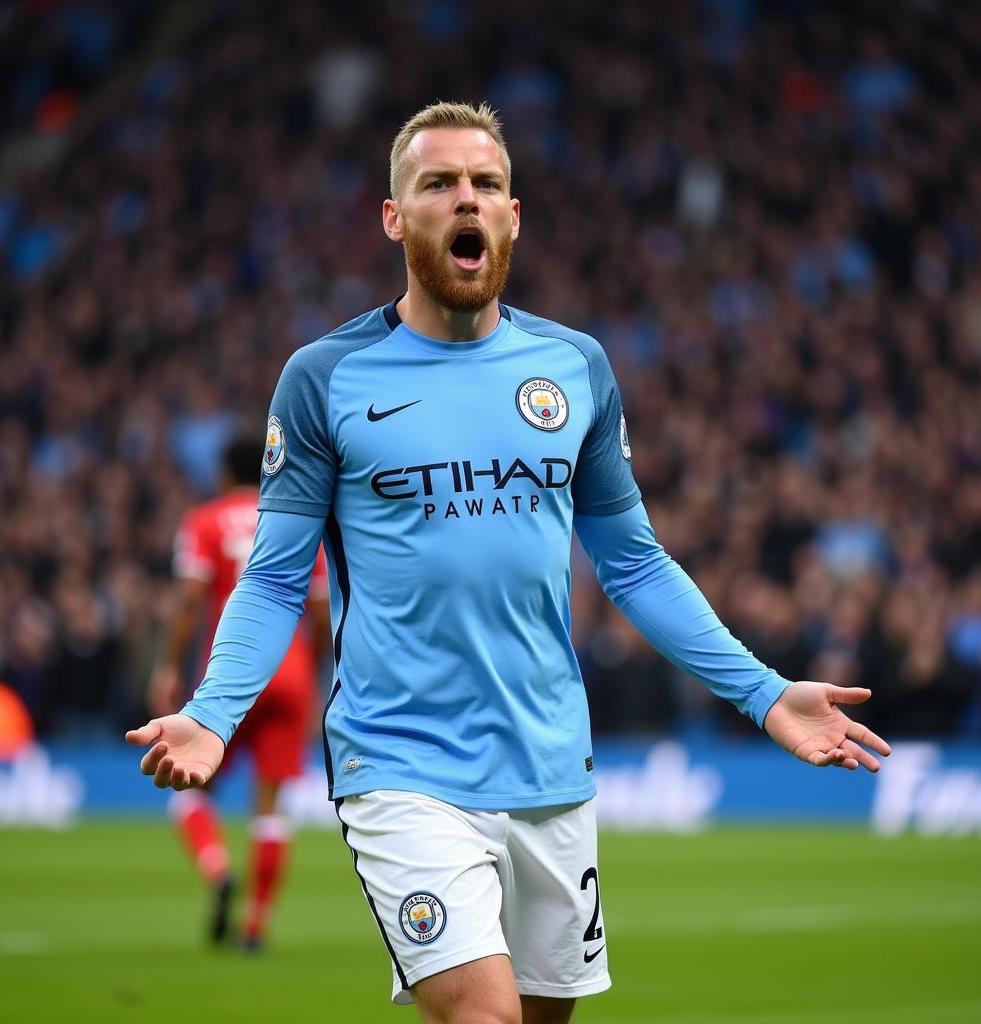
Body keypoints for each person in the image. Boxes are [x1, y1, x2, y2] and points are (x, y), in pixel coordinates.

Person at [128, 102, 890, 1023]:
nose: (466, 201)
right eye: (438, 184)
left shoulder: (574, 368)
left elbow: (635, 565)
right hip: (400, 763)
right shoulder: (326, 376)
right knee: (482, 1016)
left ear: (514, 215)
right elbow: (279, 575)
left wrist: (765, 692)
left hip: (550, 768)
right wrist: (214, 712)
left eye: (486, 184)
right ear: (394, 216)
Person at [147, 435, 329, 950]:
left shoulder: (205, 520)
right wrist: (309, 678)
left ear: (224, 473)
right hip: (289, 674)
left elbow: (188, 601)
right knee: (270, 808)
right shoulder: (298, 517)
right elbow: (319, 611)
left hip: (231, 676)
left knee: (191, 788)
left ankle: (218, 869)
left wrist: (165, 667)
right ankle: (257, 923)